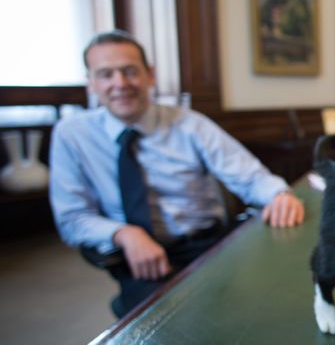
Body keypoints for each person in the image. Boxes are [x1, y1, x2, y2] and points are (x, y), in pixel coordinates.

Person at [49, 30, 305, 317]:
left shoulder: (190, 124)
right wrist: (123, 233)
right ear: (91, 84)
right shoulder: (71, 135)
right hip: (138, 259)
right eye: (106, 74)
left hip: (210, 248)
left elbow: (249, 175)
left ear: (150, 75)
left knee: (274, 305)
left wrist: (278, 194)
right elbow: (71, 219)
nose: (119, 84)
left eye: (130, 71)